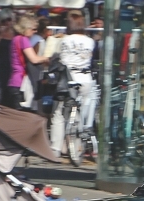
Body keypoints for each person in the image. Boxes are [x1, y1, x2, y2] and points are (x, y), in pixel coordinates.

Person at [50, 11, 99, 157]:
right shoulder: (90, 41)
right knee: (80, 114)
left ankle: (56, 149)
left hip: (68, 79)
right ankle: (76, 149)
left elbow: (56, 57)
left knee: (59, 114)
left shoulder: (64, 40)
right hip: (85, 79)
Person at [9, 13, 49, 108]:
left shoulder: (15, 39)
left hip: (13, 81)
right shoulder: (23, 40)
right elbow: (34, 59)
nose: (35, 31)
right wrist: (47, 58)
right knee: (24, 115)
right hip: (22, 83)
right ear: (25, 28)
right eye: (33, 29)